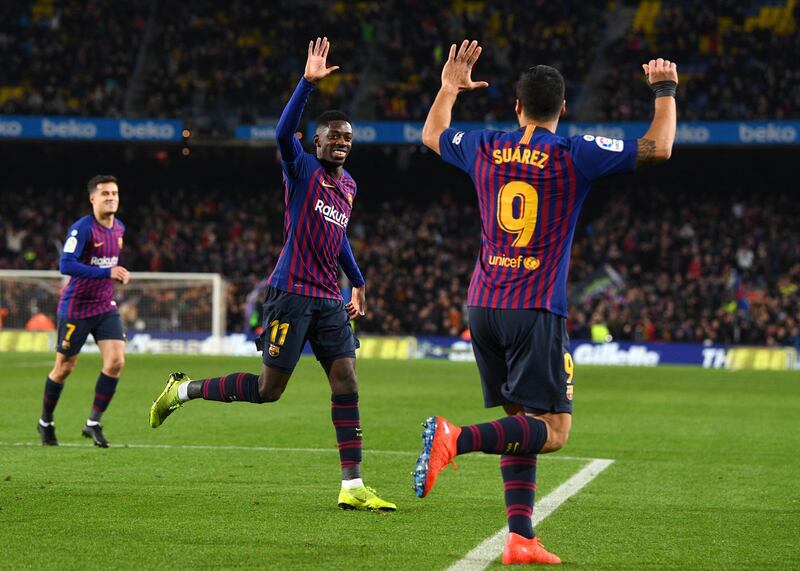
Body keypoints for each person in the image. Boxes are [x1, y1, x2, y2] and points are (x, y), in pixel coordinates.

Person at [413, 40, 677, 564]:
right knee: (553, 432)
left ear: (516, 108)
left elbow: (431, 134)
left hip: (483, 307)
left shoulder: (484, 145)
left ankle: (520, 537)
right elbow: (659, 146)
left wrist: (448, 87)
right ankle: (454, 437)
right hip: (535, 309)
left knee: (522, 428)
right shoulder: (575, 152)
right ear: (562, 109)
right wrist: (664, 90)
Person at [149, 37, 396, 512]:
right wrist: (306, 83)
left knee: (346, 380)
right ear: (317, 140)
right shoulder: (299, 167)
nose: (343, 143)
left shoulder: (348, 185)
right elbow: (283, 134)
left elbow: (338, 234)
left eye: (348, 138)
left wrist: (358, 281)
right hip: (290, 294)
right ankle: (183, 391)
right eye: (335, 136)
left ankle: (353, 484)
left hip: (329, 299)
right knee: (269, 391)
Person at [38, 174, 130, 448]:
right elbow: (66, 265)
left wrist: (116, 275)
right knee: (64, 368)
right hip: (76, 308)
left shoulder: (119, 229)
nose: (111, 197)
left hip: (104, 306)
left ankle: (93, 423)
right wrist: (106, 272)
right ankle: (45, 421)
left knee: (116, 362)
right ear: (93, 198)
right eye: (105, 194)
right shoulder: (82, 229)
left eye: (114, 193)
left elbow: (108, 267)